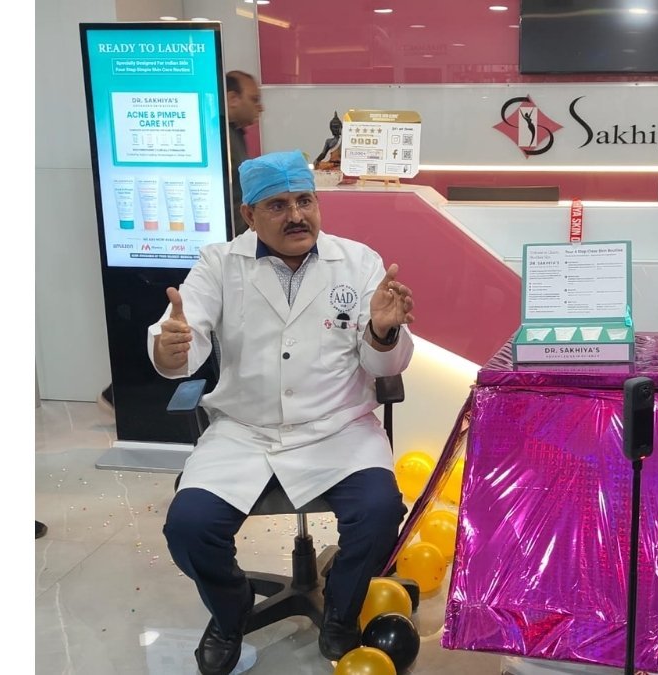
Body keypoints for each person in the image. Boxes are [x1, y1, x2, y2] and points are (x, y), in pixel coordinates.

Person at [150, 150, 416, 674]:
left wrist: (383, 332)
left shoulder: (358, 261)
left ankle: (340, 611)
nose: (296, 216)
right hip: (245, 432)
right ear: (249, 215)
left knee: (381, 512)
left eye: (305, 201)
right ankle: (231, 611)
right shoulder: (219, 264)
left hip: (338, 428)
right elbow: (182, 336)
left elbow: (383, 362)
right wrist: (171, 348)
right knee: (188, 527)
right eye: (277, 205)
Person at [225, 70, 264, 236]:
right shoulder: (221, 139)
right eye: (254, 99)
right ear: (233, 99)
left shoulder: (235, 134)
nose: (261, 108)